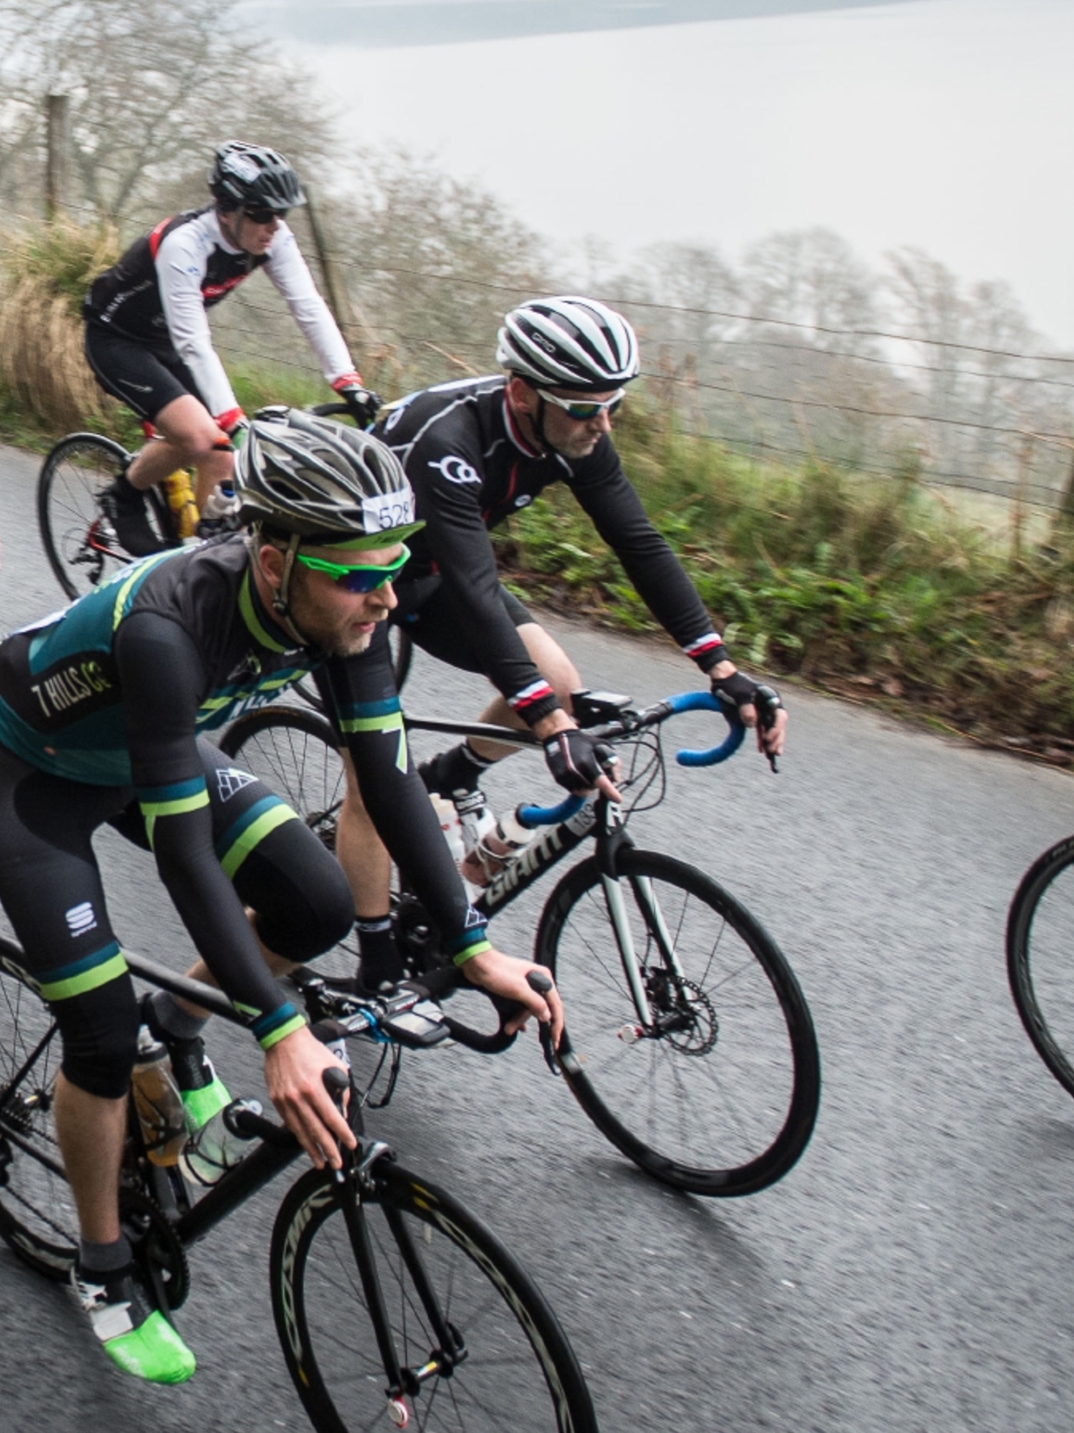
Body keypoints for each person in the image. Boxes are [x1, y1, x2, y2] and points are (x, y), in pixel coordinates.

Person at [0, 407, 564, 1381]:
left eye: (393, 568)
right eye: (362, 576)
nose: (385, 598)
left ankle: (179, 1023)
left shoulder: (354, 609)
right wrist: (279, 1029)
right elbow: (183, 855)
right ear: (277, 560)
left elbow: (392, 779)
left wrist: (471, 945)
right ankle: (102, 1262)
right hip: (37, 782)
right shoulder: (169, 623)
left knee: (319, 904)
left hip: (149, 748)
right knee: (102, 1034)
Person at [333, 296, 786, 982]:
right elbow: (477, 588)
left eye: (613, 405)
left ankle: (454, 772)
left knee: (559, 682)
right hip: (349, 579)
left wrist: (720, 667)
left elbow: (638, 544)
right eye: (582, 407)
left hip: (428, 574)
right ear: (521, 393)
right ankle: (374, 964)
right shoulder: (451, 441)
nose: (601, 424)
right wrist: (549, 727)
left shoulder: (573, 435)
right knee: (373, 780)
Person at [79, 142, 376, 557]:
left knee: (222, 460)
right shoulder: (184, 244)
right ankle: (123, 497)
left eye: (281, 213)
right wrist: (232, 419)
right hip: (117, 339)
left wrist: (348, 382)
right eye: (261, 213)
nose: (274, 225)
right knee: (202, 437)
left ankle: (205, 557)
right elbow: (195, 343)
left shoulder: (272, 239)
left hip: (166, 342)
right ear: (227, 209)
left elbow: (308, 306)